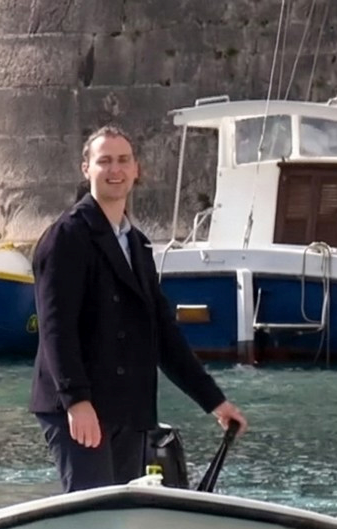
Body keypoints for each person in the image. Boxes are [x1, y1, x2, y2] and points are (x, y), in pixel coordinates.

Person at [29, 125, 247, 492]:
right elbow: (56, 327)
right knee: (94, 516)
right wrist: (76, 400)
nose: (115, 170)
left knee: (123, 520)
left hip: (127, 410)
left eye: (123, 160)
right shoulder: (67, 236)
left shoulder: (138, 245)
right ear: (86, 169)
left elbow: (162, 335)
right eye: (104, 161)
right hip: (80, 406)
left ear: (136, 170)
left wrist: (214, 402)